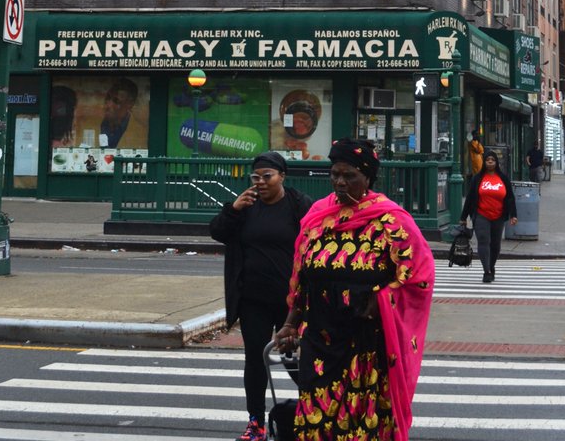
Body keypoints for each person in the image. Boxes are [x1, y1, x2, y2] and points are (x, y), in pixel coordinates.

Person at [274, 138, 434, 441]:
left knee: (362, 427)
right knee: (316, 425)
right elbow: (304, 278)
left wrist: (382, 298)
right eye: (335, 174)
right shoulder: (318, 217)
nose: (340, 182)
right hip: (320, 341)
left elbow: (418, 275)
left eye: (350, 176)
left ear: (368, 178)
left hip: (366, 347)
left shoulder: (390, 220)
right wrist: (290, 324)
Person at [210, 151, 312, 441]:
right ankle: (255, 422)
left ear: (282, 176)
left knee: (295, 359)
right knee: (255, 359)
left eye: (268, 176)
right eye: (256, 177)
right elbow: (217, 232)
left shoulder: (297, 204)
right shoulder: (246, 207)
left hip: (290, 302)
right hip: (253, 300)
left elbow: (318, 235)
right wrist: (234, 209)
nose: (261, 182)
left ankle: (316, 411)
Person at [460, 148, 517, 283]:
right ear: (484, 162)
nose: (490, 163)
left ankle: (491, 266)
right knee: (484, 241)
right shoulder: (477, 178)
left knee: (495, 245)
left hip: (498, 216)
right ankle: (486, 271)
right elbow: (470, 198)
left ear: (496, 163)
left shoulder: (503, 178)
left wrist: (513, 215)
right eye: (487, 160)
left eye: (492, 160)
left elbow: (510, 198)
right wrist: (463, 217)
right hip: (481, 215)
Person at [99, 77, 140, 147]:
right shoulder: (95, 125)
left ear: (130, 104)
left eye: (116, 101)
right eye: (108, 98)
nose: (108, 105)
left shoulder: (139, 132)